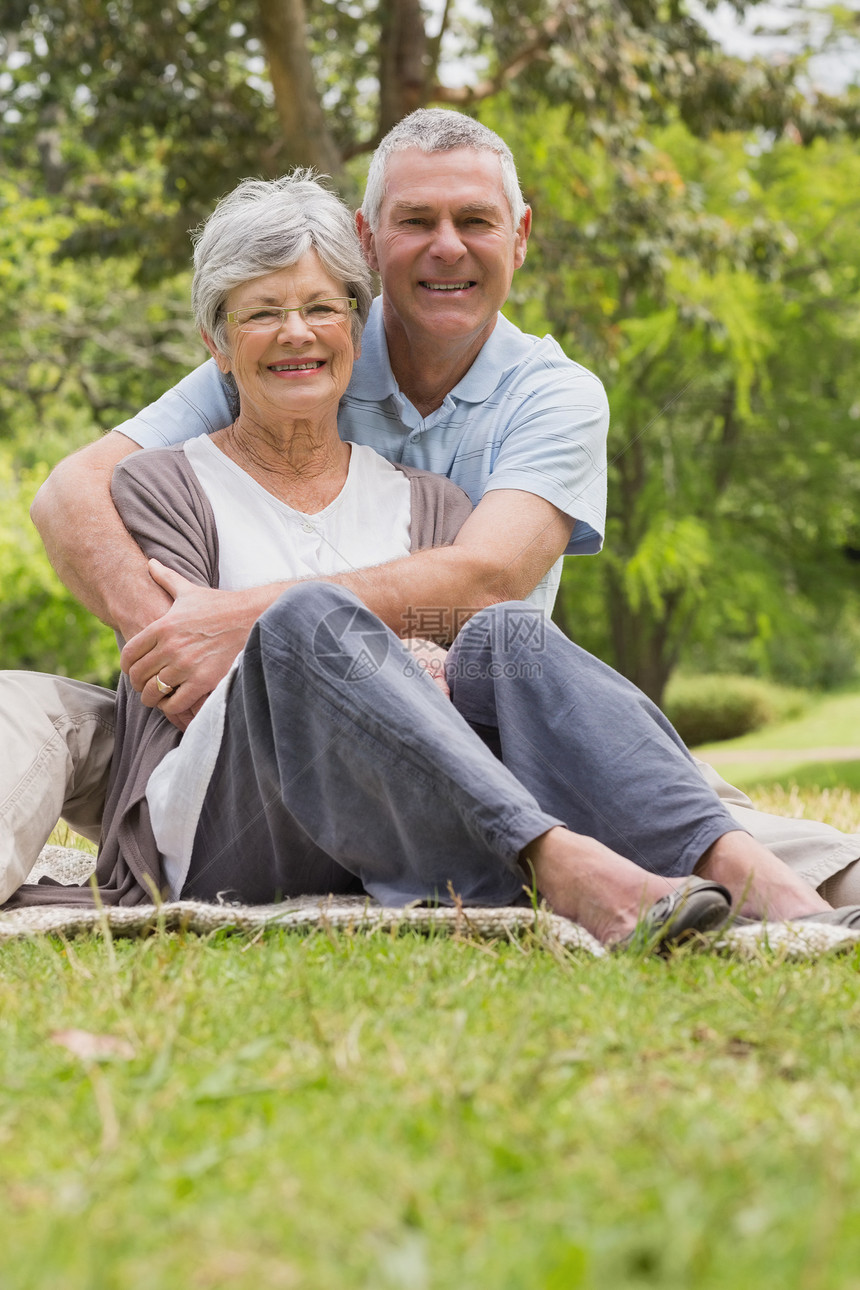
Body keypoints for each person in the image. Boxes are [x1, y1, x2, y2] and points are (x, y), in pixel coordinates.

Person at [5, 109, 860, 903]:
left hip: (465, 731)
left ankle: (769, 880)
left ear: (519, 237)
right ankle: (566, 867)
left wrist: (244, 624)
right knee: (37, 705)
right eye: (417, 221)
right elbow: (69, 495)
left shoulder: (521, 420)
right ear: (369, 243)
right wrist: (179, 648)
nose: (296, 330)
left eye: (475, 221)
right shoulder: (227, 409)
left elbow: (489, 582)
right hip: (223, 774)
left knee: (523, 652)